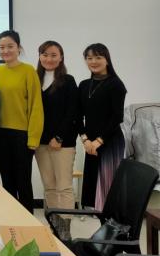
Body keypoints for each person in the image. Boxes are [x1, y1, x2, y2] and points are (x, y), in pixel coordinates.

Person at [0, 30, 44, 213]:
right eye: (2, 47)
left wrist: (33, 138)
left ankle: (27, 220)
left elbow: (36, 106)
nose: (5, 50)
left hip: (22, 135)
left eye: (10, 46)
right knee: (7, 181)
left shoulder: (28, 71)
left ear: (18, 48)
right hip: (0, 133)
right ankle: (11, 219)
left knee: (23, 181)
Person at [34, 40, 78, 238]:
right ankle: (54, 224)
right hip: (40, 142)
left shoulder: (68, 80)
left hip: (62, 143)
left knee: (64, 186)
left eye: (53, 55)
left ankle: (65, 228)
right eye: (45, 54)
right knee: (49, 185)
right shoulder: (35, 79)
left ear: (61, 58)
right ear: (39, 57)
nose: (49, 59)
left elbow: (72, 112)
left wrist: (59, 137)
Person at [77, 43, 127, 211]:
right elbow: (77, 116)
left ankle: (111, 220)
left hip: (110, 140)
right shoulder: (84, 85)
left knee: (108, 185)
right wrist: (85, 140)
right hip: (89, 142)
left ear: (107, 60)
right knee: (92, 186)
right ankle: (96, 217)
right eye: (89, 58)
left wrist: (98, 141)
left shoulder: (116, 84)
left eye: (98, 57)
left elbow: (117, 117)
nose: (93, 61)